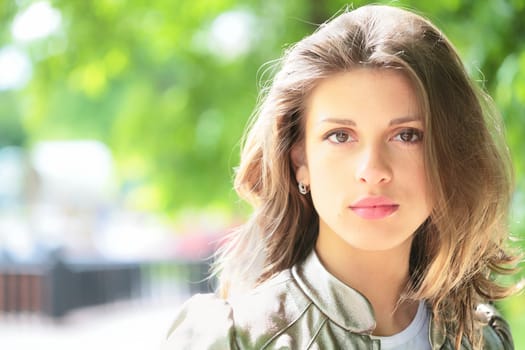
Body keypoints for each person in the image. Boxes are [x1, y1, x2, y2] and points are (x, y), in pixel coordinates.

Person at [163, 4, 520, 349]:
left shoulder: (483, 339)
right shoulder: (235, 341)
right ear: (299, 159)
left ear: (450, 155)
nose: (373, 171)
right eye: (340, 136)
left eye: (407, 135)